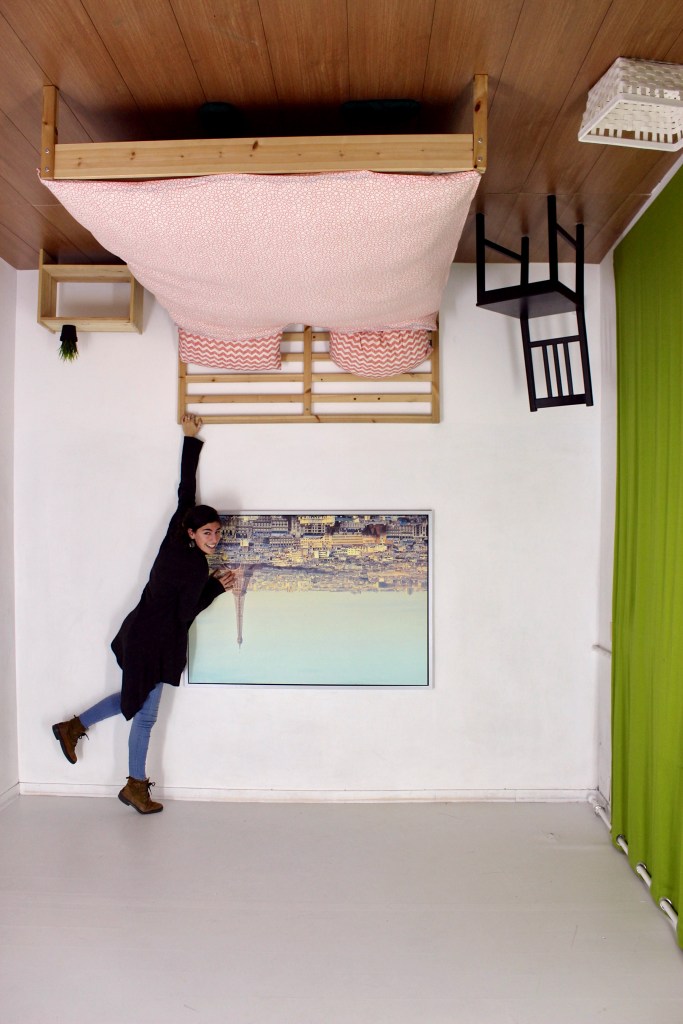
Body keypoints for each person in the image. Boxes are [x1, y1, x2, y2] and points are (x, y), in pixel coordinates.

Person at [52, 414, 234, 815]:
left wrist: (190, 440)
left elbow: (186, 492)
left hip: (141, 634)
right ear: (192, 532)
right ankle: (134, 786)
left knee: (132, 699)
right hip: (155, 642)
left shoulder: (175, 538)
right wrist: (216, 588)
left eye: (217, 531)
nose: (215, 538)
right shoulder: (193, 567)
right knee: (146, 714)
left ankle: (72, 727)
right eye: (208, 532)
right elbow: (185, 614)